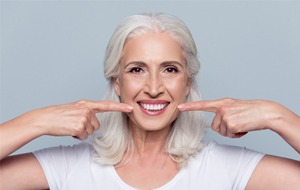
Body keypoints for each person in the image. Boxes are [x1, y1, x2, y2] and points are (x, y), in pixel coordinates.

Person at [0, 12, 299, 190]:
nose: (153, 88)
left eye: (170, 70)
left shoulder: (225, 166)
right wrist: (36, 121)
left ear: (187, 83)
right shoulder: (69, 167)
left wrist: (277, 117)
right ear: (117, 83)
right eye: (136, 70)